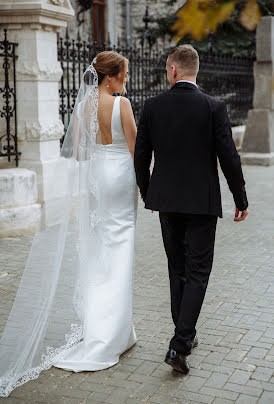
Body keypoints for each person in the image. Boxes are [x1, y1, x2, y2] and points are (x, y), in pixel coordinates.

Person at [0, 51, 138, 397]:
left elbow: (77, 153)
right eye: (123, 74)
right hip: (121, 177)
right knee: (120, 251)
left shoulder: (81, 107)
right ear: (110, 77)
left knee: (100, 249)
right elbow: (137, 148)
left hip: (96, 178)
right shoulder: (123, 105)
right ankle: (113, 335)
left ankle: (101, 327)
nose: (126, 79)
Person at [134, 44, 249, 374]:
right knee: (198, 272)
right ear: (193, 70)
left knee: (178, 268)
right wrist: (240, 198)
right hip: (202, 203)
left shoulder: (153, 106)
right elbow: (229, 156)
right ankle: (181, 343)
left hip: (167, 202)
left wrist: (148, 194)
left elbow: (141, 156)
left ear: (172, 69)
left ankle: (183, 335)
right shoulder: (214, 107)